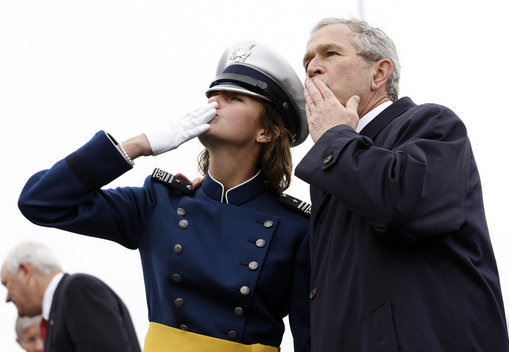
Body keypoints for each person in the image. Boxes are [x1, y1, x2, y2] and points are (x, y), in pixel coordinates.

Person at [17, 41, 311, 352]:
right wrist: (138, 146)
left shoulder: (295, 228)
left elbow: (312, 340)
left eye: (234, 98)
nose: (213, 104)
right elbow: (40, 201)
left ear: (265, 132)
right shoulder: (159, 204)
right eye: (212, 95)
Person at [295, 17, 509, 351]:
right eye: (307, 61)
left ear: (379, 74)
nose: (312, 68)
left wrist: (336, 138)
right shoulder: (332, 164)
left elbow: (403, 205)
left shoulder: (432, 124)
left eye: (330, 54)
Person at [1, 241, 141, 352]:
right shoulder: (57, 313)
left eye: (7, 284)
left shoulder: (77, 289)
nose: (7, 298)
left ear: (25, 272)